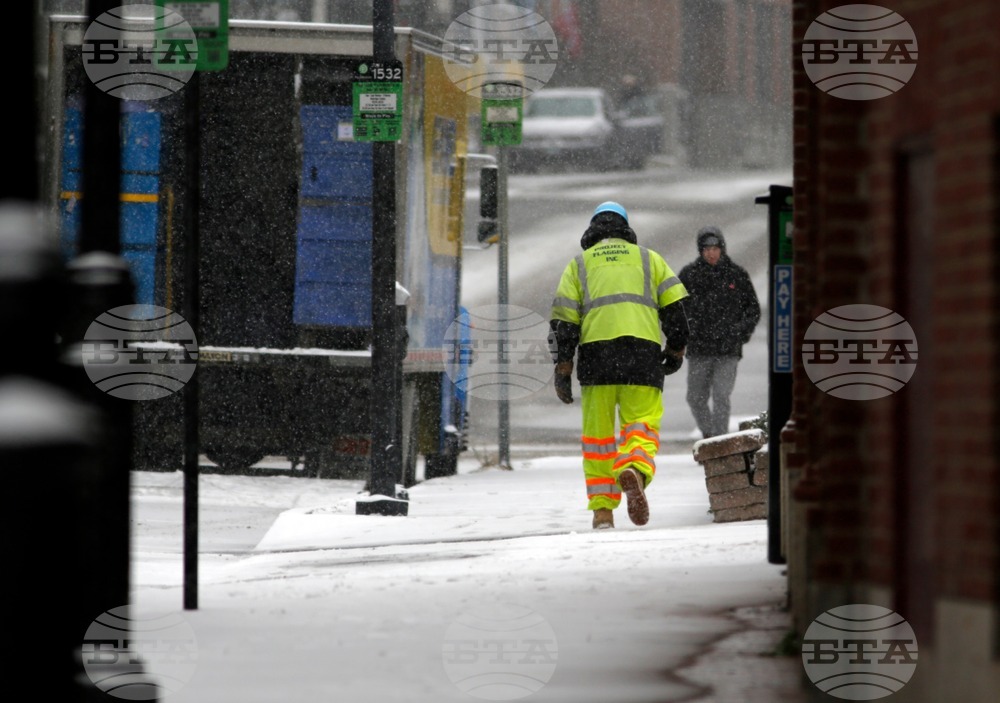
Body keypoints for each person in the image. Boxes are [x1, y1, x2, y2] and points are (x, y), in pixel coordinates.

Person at [549, 202, 689, 530]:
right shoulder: (648, 258)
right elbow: (676, 312)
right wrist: (677, 348)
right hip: (642, 355)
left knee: (598, 438)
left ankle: (602, 512)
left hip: (596, 359)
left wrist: (563, 368)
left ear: (593, 229)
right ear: (625, 227)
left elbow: (563, 326)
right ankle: (634, 468)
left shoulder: (579, 265)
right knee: (642, 423)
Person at [677, 226, 761, 439]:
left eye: (715, 248)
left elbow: (752, 309)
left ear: (722, 249)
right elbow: (676, 308)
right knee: (695, 397)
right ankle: (710, 437)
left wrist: (739, 333)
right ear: (700, 250)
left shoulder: (736, 274)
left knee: (722, 396)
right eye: (706, 249)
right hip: (699, 349)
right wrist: (686, 332)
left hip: (728, 350)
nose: (711, 253)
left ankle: (720, 442)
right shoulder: (689, 275)